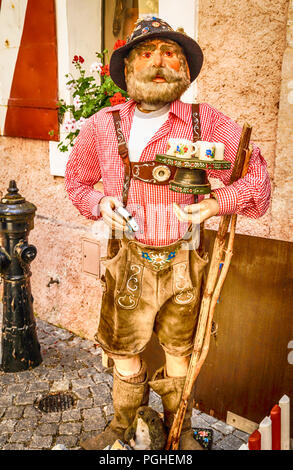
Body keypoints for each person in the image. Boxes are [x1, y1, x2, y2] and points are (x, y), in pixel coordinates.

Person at [65, 17, 271, 450]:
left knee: (180, 351)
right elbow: (77, 181)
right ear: (126, 70)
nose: (159, 62)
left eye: (170, 53)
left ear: (186, 69)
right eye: (146, 53)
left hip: (186, 258)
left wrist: (220, 201)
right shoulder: (103, 125)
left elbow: (256, 174)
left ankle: (177, 434)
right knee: (123, 349)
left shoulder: (207, 122)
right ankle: (122, 429)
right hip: (126, 259)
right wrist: (100, 203)